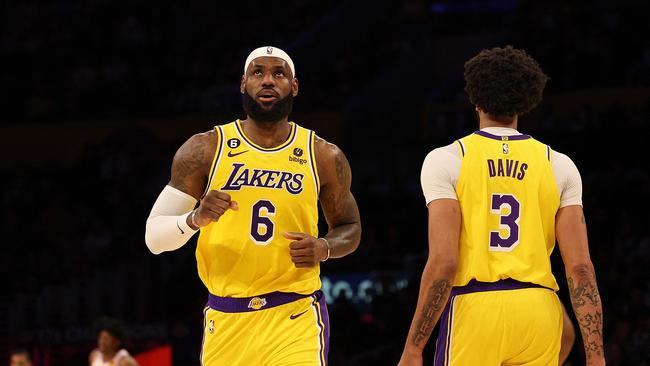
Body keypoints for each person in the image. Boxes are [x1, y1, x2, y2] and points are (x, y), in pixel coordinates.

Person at [145, 46, 361, 365]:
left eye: (279, 73)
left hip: (294, 314)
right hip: (226, 317)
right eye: (258, 72)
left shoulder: (323, 156)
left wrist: (325, 247)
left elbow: (350, 227)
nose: (268, 81)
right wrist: (195, 218)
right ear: (243, 83)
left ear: (295, 86)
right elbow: (154, 238)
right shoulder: (204, 149)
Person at [398, 45, 604, 365]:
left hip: (475, 308)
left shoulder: (448, 159)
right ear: (527, 101)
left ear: (474, 98)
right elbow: (580, 269)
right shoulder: (559, 165)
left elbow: (444, 262)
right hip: (539, 310)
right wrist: (596, 356)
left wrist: (413, 347)